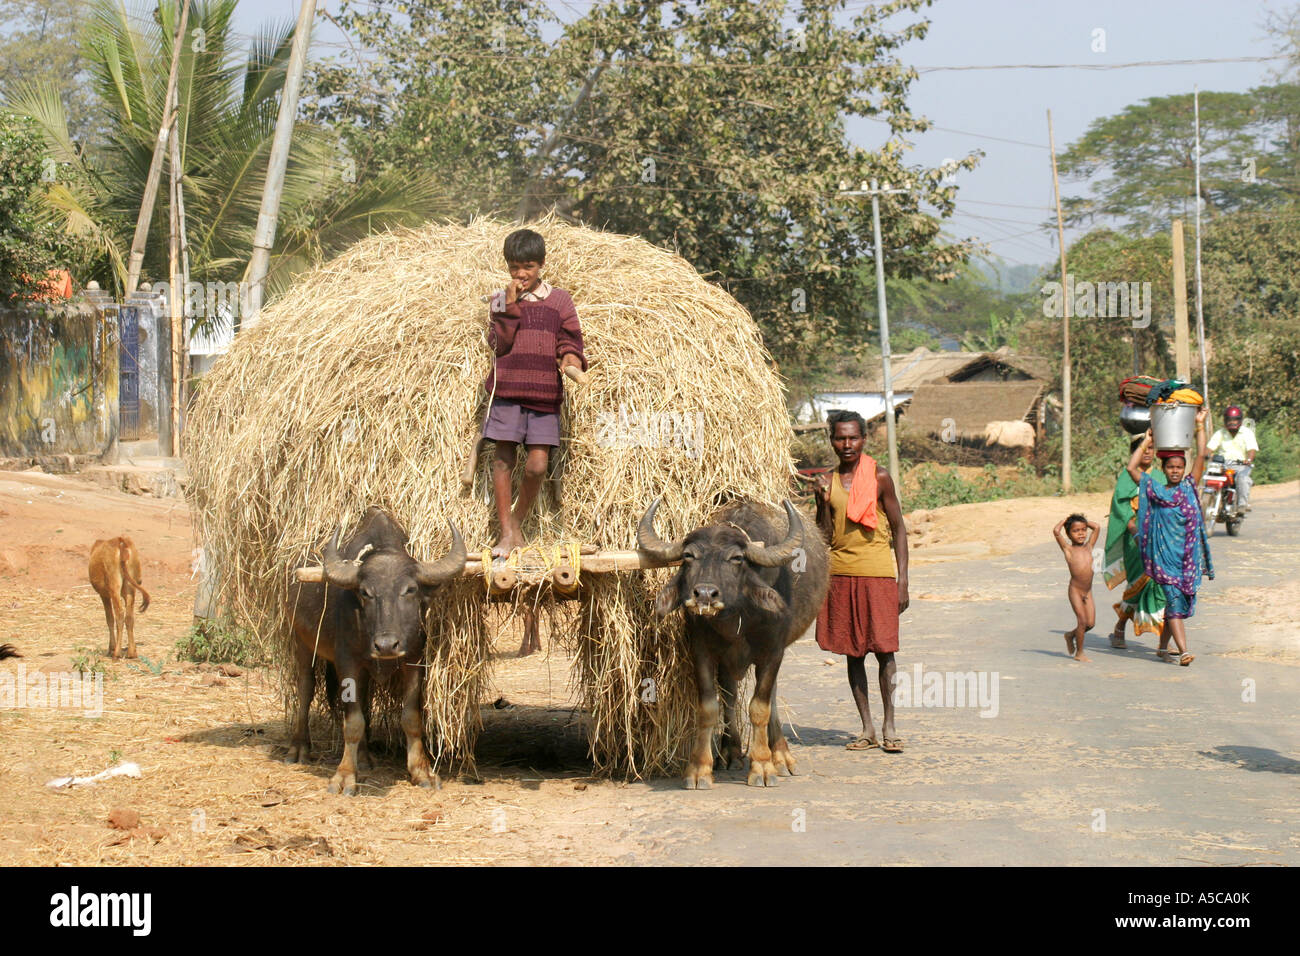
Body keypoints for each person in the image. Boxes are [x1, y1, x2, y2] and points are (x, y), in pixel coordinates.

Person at [484, 228, 586, 557]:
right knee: (503, 460)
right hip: (508, 392)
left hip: (544, 394)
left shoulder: (560, 300)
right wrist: (511, 306)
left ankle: (515, 522)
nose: (521, 274)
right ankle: (505, 534)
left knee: (537, 466)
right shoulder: (501, 299)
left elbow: (570, 339)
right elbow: (499, 344)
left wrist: (571, 362)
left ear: (541, 264)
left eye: (527, 266)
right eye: (514, 267)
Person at [813, 410, 909, 753]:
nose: (847, 444)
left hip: (879, 573)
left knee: (885, 650)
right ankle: (866, 728)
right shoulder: (827, 480)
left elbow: (898, 529)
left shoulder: (880, 477)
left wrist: (903, 581)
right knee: (853, 653)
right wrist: (822, 503)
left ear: (864, 439)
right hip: (840, 574)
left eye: (853, 437)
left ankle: (890, 725)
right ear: (832, 440)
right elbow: (823, 536)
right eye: (840, 438)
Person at [1127, 409, 1214, 666]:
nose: (1175, 471)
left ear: (1183, 469)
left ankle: (1163, 648)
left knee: (1179, 606)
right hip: (1164, 560)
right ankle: (1184, 651)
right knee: (1175, 602)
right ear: (1163, 469)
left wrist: (1199, 426)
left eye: (1179, 467)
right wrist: (1147, 439)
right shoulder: (1155, 490)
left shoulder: (1189, 486)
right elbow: (1131, 468)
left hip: (1187, 560)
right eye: (1171, 467)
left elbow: (1201, 454)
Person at [1104, 434, 1168, 651]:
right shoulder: (1126, 477)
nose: (1148, 452)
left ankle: (1163, 641)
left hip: (1159, 539)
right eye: (1144, 448)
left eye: (1152, 448)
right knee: (1136, 585)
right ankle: (1120, 627)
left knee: (1161, 586)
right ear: (1135, 452)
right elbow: (1120, 508)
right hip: (1135, 541)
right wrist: (1134, 530)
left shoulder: (1160, 476)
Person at [1053, 513, 1100, 662]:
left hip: (1088, 591)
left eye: (1083, 530)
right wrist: (1065, 521)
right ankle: (1079, 653)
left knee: (1090, 623)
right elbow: (1056, 531)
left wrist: (1083, 521)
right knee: (1082, 620)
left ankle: (1070, 635)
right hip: (1075, 590)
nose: (1081, 533)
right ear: (1068, 534)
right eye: (1075, 531)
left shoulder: (1089, 546)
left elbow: (1097, 527)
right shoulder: (1068, 549)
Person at [1207, 405, 1258, 512]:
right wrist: (1207, 455)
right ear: (1225, 420)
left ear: (1240, 420)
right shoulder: (1220, 433)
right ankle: (1209, 500)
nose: (1232, 422)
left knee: (1242, 479)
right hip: (1222, 465)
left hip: (1241, 465)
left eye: (1235, 420)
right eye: (1229, 420)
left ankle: (1242, 505)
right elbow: (1210, 448)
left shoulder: (1247, 433)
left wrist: (1248, 460)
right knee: (1209, 477)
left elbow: (1252, 449)